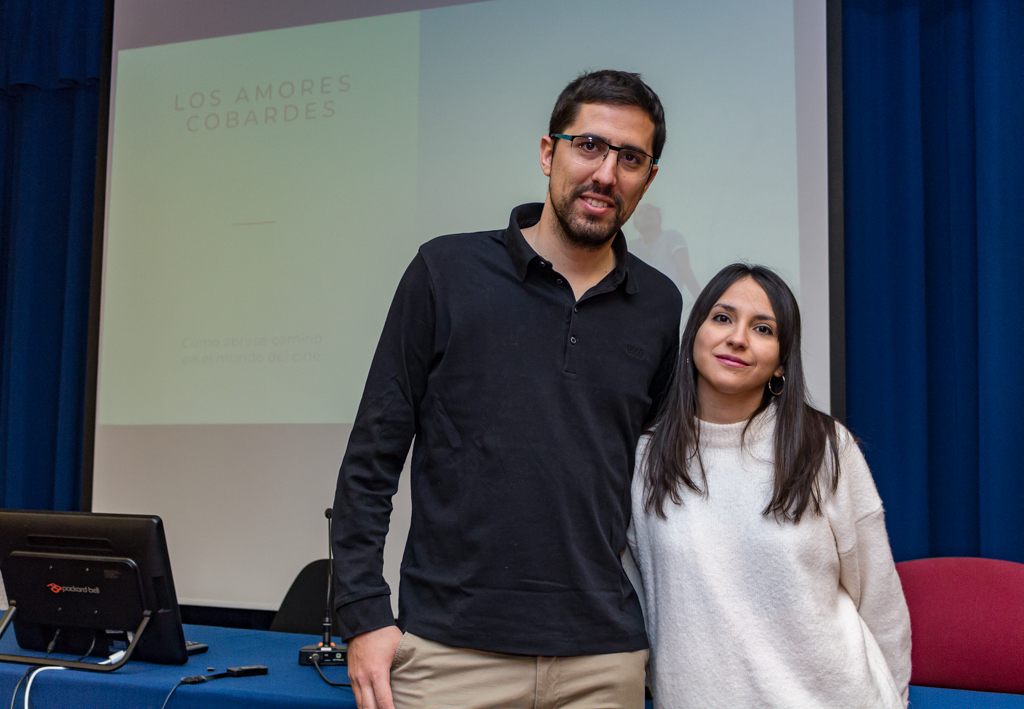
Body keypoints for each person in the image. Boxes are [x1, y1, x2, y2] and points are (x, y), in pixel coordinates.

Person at [332, 70, 683, 709]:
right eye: (589, 146)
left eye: (630, 158)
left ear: (647, 178)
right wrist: (361, 611)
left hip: (604, 660)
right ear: (549, 152)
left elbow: (653, 485)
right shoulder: (445, 270)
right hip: (450, 653)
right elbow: (371, 460)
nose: (606, 173)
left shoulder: (659, 305)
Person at [628, 264, 912, 708]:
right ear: (693, 338)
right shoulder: (645, 457)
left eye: (762, 328)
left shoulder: (823, 447)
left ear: (781, 363)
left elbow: (879, 598)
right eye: (722, 318)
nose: (737, 337)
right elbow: (638, 604)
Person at [629, 203, 701, 301]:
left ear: (659, 217)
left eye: (650, 210)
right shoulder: (632, 247)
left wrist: (702, 302)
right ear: (635, 224)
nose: (645, 213)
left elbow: (685, 270)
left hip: (666, 302)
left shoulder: (671, 236)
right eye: (640, 213)